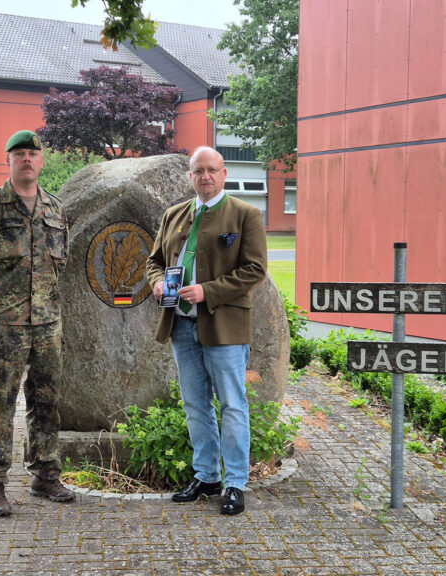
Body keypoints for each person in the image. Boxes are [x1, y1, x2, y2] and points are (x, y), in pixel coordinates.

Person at [0, 130, 74, 516]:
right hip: (4, 327)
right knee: (0, 402)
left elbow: (62, 261)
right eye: (19, 154)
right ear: (9, 160)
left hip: (46, 324)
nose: (26, 160)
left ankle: (45, 474)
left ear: (41, 162)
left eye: (32, 154)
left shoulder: (55, 208)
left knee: (46, 401)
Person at [146, 146, 267, 515]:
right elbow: (155, 261)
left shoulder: (245, 215)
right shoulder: (174, 215)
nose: (205, 177)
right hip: (181, 324)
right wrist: (155, 283)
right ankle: (206, 475)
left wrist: (207, 291)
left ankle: (233, 484)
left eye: (212, 170)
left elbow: (254, 270)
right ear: (190, 176)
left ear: (224, 173)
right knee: (195, 404)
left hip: (225, 326)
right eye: (198, 171)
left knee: (232, 405)